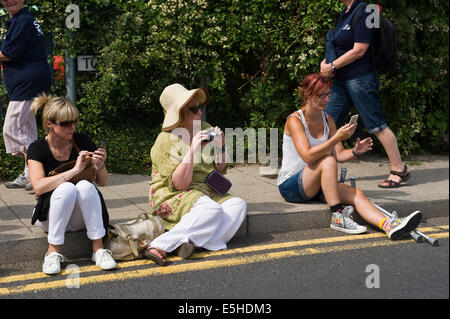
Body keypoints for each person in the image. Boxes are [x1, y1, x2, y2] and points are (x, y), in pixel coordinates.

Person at [277, 73, 421, 240]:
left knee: (356, 193)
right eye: (322, 95)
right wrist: (337, 137)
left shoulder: (327, 119)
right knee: (327, 160)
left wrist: (354, 151)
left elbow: (339, 154)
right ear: (308, 95)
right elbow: (308, 156)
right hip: (291, 186)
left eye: (328, 94)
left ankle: (389, 226)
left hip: (316, 183)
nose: (327, 99)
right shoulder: (295, 120)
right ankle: (338, 216)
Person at [146, 83, 247, 266]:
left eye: (200, 107)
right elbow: (179, 184)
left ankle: (191, 243)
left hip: (205, 190)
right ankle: (159, 245)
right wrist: (192, 150)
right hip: (173, 195)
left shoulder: (205, 127)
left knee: (238, 205)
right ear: (179, 112)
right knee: (211, 210)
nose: (199, 112)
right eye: (193, 109)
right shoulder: (165, 140)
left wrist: (221, 146)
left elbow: (220, 168)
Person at [320, 0, 410, 188]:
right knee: (326, 122)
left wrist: (332, 66)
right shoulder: (345, 12)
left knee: (376, 124)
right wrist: (326, 63)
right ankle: (322, 172)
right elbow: (341, 46)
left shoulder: (368, 11)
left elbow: (360, 50)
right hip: (341, 80)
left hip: (360, 79)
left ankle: (398, 169)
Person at [27, 94, 116, 275]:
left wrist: (100, 166)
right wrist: (75, 170)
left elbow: (103, 182)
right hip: (50, 215)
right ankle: (53, 252)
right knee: (67, 188)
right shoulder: (37, 148)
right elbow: (38, 187)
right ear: (50, 124)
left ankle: (98, 250)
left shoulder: (81, 141)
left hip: (79, 216)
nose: (72, 127)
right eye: (66, 123)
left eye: (74, 122)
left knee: (85, 186)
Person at [0, 0, 51, 190]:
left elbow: (8, 53)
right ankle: (31, 174)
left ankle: (40, 167)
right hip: (30, 82)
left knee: (12, 129)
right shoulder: (22, 19)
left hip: (27, 83)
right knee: (27, 129)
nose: (8, 1)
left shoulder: (23, 20)